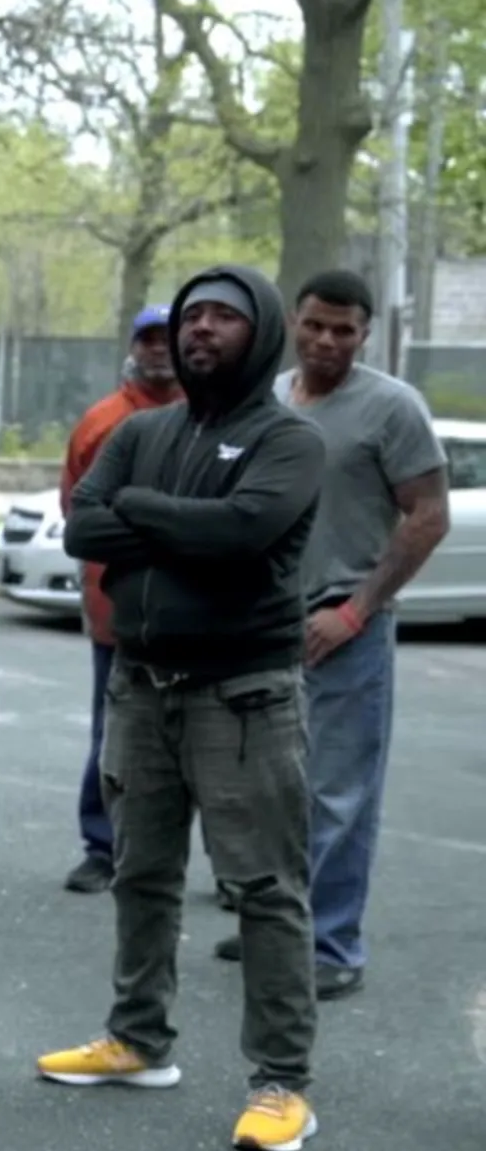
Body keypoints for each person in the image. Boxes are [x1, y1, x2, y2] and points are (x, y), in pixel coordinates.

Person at [37, 265, 327, 1151]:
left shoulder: (289, 441)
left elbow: (241, 535)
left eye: (222, 318)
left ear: (261, 333)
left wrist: (143, 513)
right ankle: (138, 1041)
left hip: (243, 695)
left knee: (265, 890)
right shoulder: (142, 431)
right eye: (192, 315)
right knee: (142, 871)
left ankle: (283, 1083)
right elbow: (84, 529)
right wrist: (177, 522)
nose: (201, 331)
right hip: (141, 681)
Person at [206, 270, 448, 997]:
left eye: (345, 330)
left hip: (344, 627)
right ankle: (275, 934)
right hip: (266, 624)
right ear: (293, 324)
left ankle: (333, 947)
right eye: (315, 325)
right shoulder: (270, 398)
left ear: (364, 334)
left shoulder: (392, 407)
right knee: (265, 791)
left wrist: (358, 610)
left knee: (338, 794)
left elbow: (428, 515)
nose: (328, 341)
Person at [57, 305, 182, 894]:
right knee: (114, 732)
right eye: (148, 340)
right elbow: (77, 511)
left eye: (169, 339)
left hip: (203, 612)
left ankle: (233, 867)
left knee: (213, 739)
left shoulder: (213, 419)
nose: (160, 350)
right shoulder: (101, 422)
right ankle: (101, 848)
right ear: (133, 348)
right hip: (121, 611)